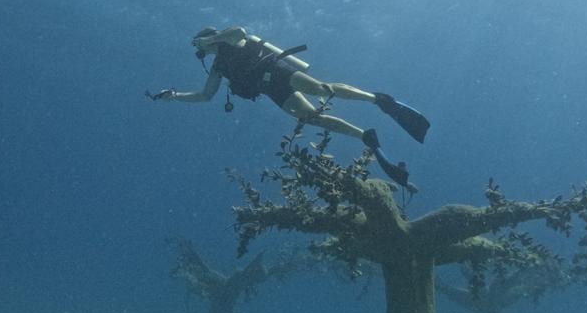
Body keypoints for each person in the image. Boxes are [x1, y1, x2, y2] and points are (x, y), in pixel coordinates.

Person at [148, 26, 429, 191]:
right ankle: (365, 137)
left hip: (278, 71)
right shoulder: (218, 66)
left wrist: (210, 39)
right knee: (312, 118)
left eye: (201, 43)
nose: (201, 49)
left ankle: (378, 100)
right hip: (271, 90)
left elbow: (240, 31)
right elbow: (205, 96)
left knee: (321, 89)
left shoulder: (232, 40)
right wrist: (175, 95)